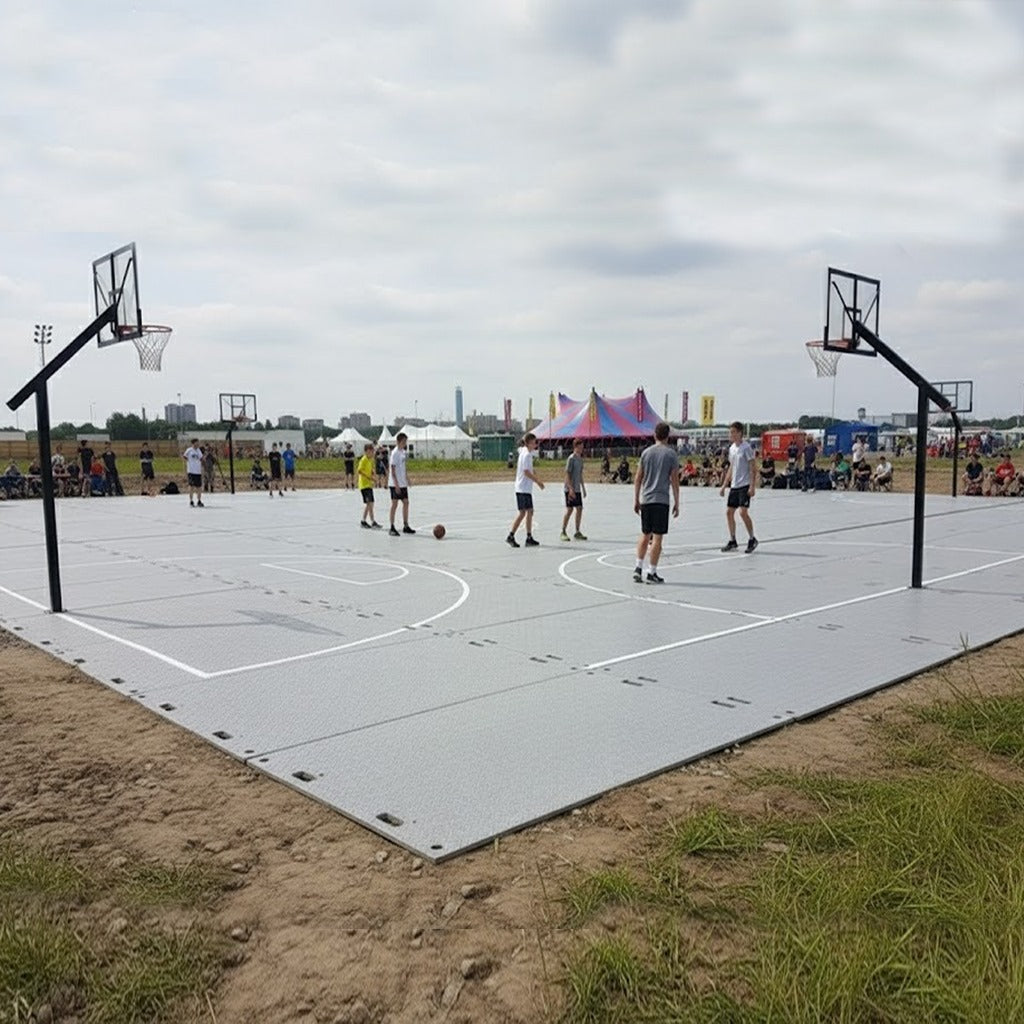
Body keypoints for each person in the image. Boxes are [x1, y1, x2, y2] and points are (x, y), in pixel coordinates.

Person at [632, 421, 680, 583]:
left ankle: (638, 567)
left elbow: (638, 477)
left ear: (655, 435)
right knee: (657, 537)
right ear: (668, 436)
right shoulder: (671, 454)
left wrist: (636, 498)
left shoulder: (646, 453)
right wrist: (677, 501)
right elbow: (674, 480)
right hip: (661, 500)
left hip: (646, 498)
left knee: (645, 534)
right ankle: (651, 571)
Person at [720, 421, 758, 554]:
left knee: (743, 512)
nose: (731, 434)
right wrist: (725, 485)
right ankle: (733, 540)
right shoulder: (732, 448)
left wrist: (752, 486)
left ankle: (752, 538)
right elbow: (731, 467)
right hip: (735, 485)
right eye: (730, 432)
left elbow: (753, 468)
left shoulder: (746, 448)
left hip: (744, 484)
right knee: (729, 512)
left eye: (733, 432)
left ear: (740, 433)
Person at [507, 432, 544, 547]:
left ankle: (529, 536)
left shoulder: (524, 451)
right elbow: (526, 472)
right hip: (523, 488)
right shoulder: (526, 454)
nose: (535, 445)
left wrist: (535, 474)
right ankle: (511, 535)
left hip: (524, 488)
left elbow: (529, 469)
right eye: (533, 443)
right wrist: (537, 481)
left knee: (530, 511)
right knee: (523, 513)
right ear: (528, 443)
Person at [560, 438, 587, 541]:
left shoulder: (580, 459)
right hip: (569, 488)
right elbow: (567, 474)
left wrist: (583, 488)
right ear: (575, 447)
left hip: (577, 488)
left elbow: (580, 474)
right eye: (580, 447)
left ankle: (577, 531)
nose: (581, 449)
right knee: (570, 509)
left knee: (579, 508)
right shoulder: (571, 458)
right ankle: (563, 531)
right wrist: (570, 489)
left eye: (582, 447)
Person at [388, 432, 415, 535]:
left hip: (403, 483)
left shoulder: (403, 452)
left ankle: (406, 525)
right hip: (395, 483)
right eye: (403, 441)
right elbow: (393, 470)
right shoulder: (394, 453)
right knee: (394, 504)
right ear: (398, 441)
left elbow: (403, 467)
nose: (405, 443)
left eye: (406, 441)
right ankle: (392, 526)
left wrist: (407, 479)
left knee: (406, 502)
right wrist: (396, 485)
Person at [357, 442, 381, 529]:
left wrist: (373, 473)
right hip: (364, 485)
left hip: (369, 485)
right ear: (366, 451)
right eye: (371, 451)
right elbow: (359, 471)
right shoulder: (363, 459)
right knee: (369, 503)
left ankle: (372, 521)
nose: (373, 453)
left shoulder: (370, 460)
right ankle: (363, 521)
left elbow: (370, 470)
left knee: (371, 503)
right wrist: (370, 478)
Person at [182, 438, 205, 507]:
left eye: (198, 443)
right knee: (191, 486)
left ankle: (199, 500)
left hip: (198, 472)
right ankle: (191, 501)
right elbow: (184, 457)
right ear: (193, 443)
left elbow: (201, 459)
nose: (198, 444)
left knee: (199, 487)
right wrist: (189, 463)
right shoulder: (189, 450)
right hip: (191, 471)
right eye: (197, 442)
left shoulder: (198, 451)